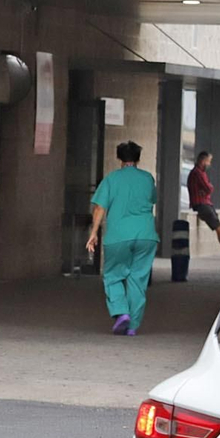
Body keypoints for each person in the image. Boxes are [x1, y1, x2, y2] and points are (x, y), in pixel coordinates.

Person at [85, 141, 159, 336]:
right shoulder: (147, 178)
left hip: (119, 236)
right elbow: (152, 199)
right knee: (137, 279)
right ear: (138, 158)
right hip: (146, 236)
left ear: (119, 158)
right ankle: (133, 325)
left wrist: (93, 233)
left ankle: (121, 312)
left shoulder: (112, 179)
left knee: (113, 275)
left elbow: (100, 207)